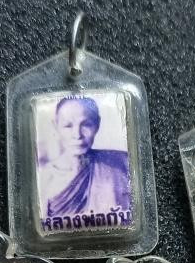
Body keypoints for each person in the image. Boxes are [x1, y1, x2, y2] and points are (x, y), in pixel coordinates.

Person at [37, 96, 131, 224]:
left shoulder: (121, 163)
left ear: (97, 125)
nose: (77, 135)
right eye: (68, 126)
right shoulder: (44, 177)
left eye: (86, 124)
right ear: (55, 126)